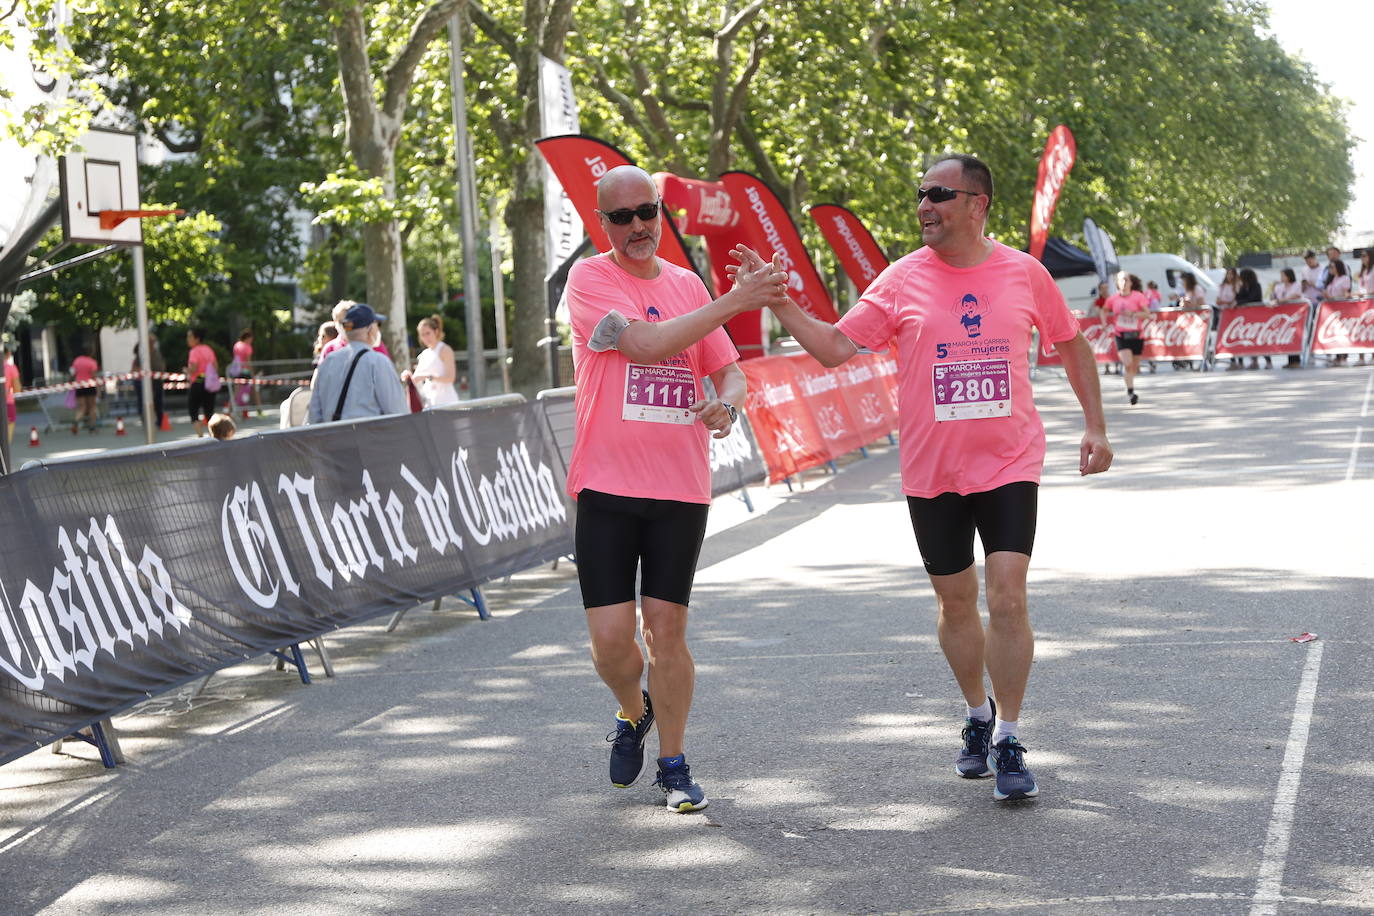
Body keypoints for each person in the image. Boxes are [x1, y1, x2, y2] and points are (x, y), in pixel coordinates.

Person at [741, 153, 1112, 802]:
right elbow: (834, 348)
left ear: (977, 204)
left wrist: (1096, 426)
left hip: (1008, 462)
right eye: (920, 194)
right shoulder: (900, 279)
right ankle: (978, 713)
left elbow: (1071, 342)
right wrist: (781, 303)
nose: (924, 206)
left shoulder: (1024, 273)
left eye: (939, 194)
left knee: (1008, 596)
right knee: (955, 602)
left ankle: (1010, 736)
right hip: (932, 470)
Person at [565, 164, 786, 813]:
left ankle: (674, 763)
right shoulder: (589, 281)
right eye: (622, 217)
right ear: (602, 224)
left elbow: (730, 371)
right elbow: (644, 344)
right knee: (611, 642)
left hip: (678, 490)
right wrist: (731, 301)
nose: (638, 226)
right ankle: (634, 711)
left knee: (666, 632)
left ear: (659, 212)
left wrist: (728, 404)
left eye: (647, 212)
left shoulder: (687, 283)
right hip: (606, 485)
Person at [306, 303, 407, 423]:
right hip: (368, 437)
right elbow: (397, 412)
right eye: (377, 324)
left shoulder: (328, 361)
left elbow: (314, 414)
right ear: (370, 329)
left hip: (331, 438)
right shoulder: (378, 362)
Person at [1102, 271, 1150, 403]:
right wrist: (1104, 324)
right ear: (1117, 283)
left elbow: (1147, 314)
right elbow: (1104, 311)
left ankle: (1130, 383)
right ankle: (1131, 392)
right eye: (1121, 280)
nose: (1124, 282)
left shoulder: (1138, 296)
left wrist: (1134, 314)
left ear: (1131, 283)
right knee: (1128, 365)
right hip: (1121, 335)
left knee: (1134, 367)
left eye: (1126, 280)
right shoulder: (1113, 299)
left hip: (1137, 335)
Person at [403, 314, 459, 408]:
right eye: (422, 335)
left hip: (447, 402)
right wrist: (408, 376)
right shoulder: (424, 354)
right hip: (429, 404)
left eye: (428, 333)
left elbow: (450, 378)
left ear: (436, 332)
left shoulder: (445, 349)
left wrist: (429, 376)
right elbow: (416, 379)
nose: (425, 338)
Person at [185, 328, 219, 437]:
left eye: (190, 336)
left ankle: (200, 437)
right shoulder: (208, 349)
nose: (188, 339)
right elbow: (215, 367)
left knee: (193, 412)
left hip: (197, 384)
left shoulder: (194, 351)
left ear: (197, 339)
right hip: (209, 384)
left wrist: (186, 370)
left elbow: (194, 369)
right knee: (209, 412)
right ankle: (213, 436)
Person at [131, 332, 168, 431]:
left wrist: (161, 373)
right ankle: (146, 422)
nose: (152, 343)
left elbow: (162, 363)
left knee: (158, 402)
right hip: (145, 383)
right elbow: (135, 368)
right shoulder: (142, 353)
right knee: (143, 402)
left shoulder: (157, 352)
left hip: (157, 381)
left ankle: (159, 422)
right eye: (150, 341)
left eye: (153, 341)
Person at [230, 329, 262, 418]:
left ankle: (229, 410)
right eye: (251, 339)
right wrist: (252, 374)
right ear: (247, 338)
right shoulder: (247, 347)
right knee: (255, 390)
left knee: (236, 392)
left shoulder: (236, 345)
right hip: (245, 372)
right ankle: (259, 410)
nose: (251, 341)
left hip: (237, 371)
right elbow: (248, 362)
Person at [70, 347, 100, 434]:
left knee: (82, 407)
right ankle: (92, 426)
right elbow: (94, 376)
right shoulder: (92, 362)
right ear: (91, 353)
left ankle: (76, 421)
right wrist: (98, 389)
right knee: (92, 407)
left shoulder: (77, 361)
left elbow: (73, 373)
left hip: (79, 385)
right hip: (90, 385)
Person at [4, 348, 19, 446]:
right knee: (8, 430)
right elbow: (17, 388)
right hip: (7, 402)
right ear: (8, 353)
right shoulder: (10, 368)